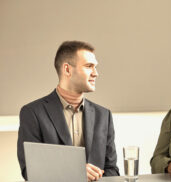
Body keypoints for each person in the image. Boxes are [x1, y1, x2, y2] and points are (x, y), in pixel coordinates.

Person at [17, 41, 119, 181]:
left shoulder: (104, 115)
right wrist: (74, 172)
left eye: (95, 67)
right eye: (89, 66)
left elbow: (112, 170)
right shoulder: (32, 113)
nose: (96, 73)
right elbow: (29, 170)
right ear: (67, 69)